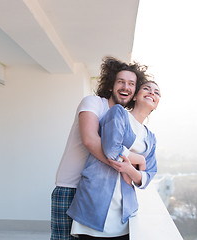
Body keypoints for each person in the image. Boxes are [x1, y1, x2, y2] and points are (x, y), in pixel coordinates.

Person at [51, 56, 150, 240]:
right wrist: (127, 166)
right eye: (121, 82)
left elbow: (137, 159)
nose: (125, 87)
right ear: (111, 85)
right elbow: (90, 140)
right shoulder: (94, 102)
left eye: (131, 84)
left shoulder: (124, 118)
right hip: (71, 187)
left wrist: (132, 168)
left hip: (97, 192)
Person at [67, 81, 161, 239]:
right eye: (146, 88)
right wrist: (139, 160)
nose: (152, 93)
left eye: (157, 92)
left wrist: (130, 170)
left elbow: (148, 176)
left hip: (124, 213)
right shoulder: (118, 113)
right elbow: (111, 149)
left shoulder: (150, 138)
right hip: (95, 204)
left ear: (156, 105)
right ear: (136, 96)